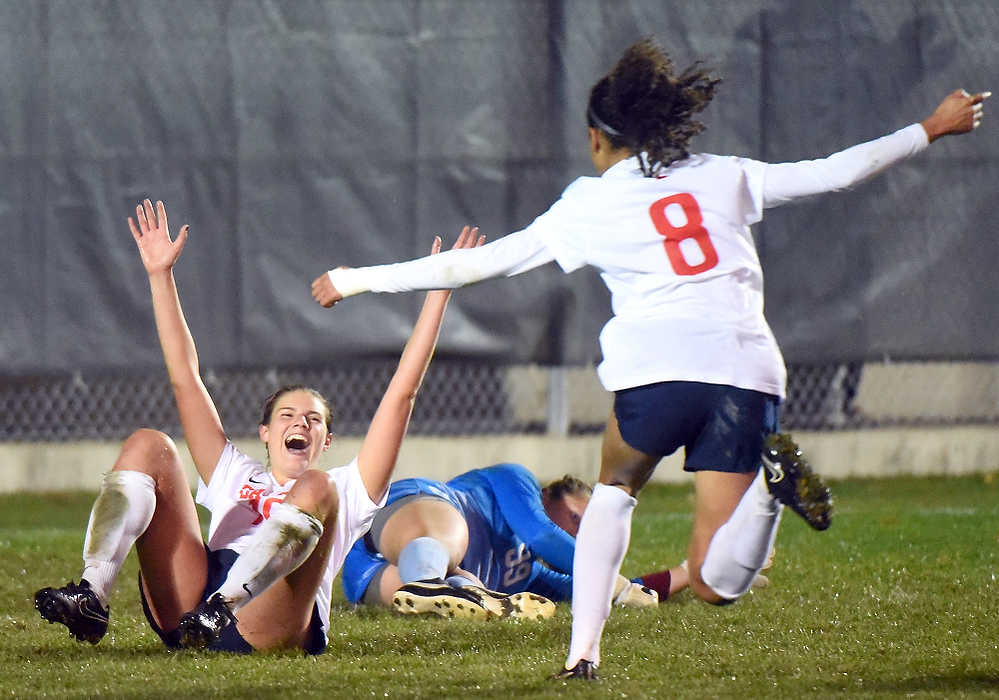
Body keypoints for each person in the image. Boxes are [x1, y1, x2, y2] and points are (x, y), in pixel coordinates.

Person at [309, 37, 989, 678]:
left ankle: (583, 657)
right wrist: (928, 127)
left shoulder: (591, 201)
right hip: (745, 374)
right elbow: (833, 174)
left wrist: (356, 278)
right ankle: (769, 493)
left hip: (655, 375)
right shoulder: (725, 176)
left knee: (612, 494)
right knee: (719, 583)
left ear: (597, 137)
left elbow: (477, 264)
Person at [34, 199, 482, 654]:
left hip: (267, 616)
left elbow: (401, 396)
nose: (299, 423)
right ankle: (92, 594)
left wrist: (437, 291)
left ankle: (224, 606)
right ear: (265, 432)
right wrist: (159, 275)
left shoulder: (343, 488)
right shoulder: (235, 471)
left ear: (327, 440)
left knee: (315, 487)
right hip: (192, 602)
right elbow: (185, 380)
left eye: (313, 419)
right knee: (150, 444)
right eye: (286, 415)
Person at [341, 465, 693, 619]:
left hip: (369, 574)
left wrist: (695, 571)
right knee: (445, 534)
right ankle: (434, 585)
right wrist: (612, 582)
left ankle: (451, 591)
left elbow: (615, 590)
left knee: (429, 593)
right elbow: (541, 533)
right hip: (413, 510)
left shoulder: (531, 577)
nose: (577, 536)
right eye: (576, 519)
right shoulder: (517, 480)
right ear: (549, 494)